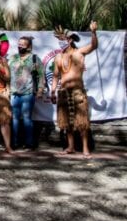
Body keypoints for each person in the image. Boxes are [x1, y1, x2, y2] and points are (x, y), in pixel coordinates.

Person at [50, 22, 98, 158]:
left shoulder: (79, 52)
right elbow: (55, 76)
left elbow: (94, 46)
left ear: (69, 40)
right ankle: (70, 147)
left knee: (82, 122)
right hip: (64, 92)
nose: (60, 42)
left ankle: (85, 149)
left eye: (62, 39)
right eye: (58, 40)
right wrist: (52, 91)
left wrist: (93, 32)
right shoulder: (58, 57)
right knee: (67, 122)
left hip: (78, 91)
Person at [8, 36, 45, 150]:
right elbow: (7, 74)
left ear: (29, 46)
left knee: (27, 118)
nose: (20, 46)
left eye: (23, 44)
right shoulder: (13, 58)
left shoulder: (34, 59)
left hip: (28, 93)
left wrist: (40, 90)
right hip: (14, 93)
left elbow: (41, 75)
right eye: (19, 44)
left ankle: (29, 143)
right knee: (14, 118)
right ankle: (14, 143)